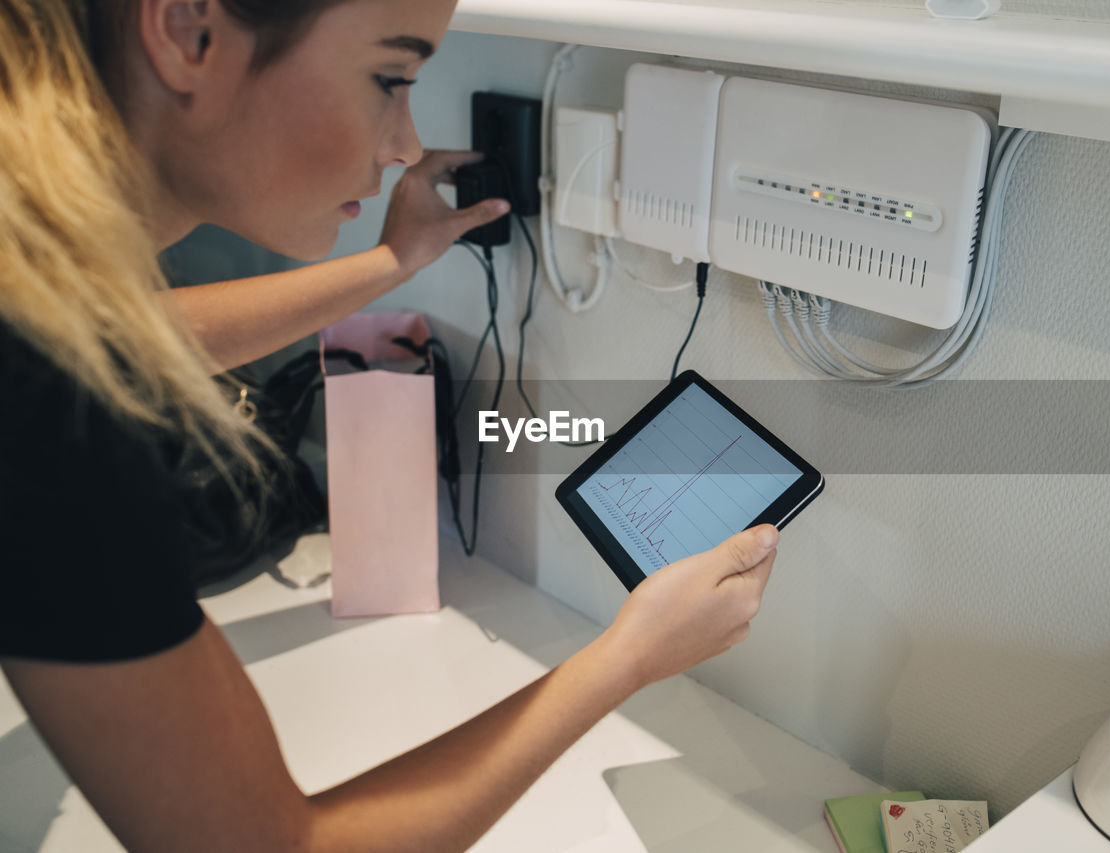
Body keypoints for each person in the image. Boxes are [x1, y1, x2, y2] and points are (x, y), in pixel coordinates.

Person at [0, 1, 780, 850]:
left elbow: (129, 331)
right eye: (389, 79)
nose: (406, 143)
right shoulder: (42, 400)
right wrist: (626, 657)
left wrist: (390, 263)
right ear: (189, 32)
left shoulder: (35, 318)